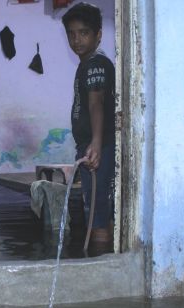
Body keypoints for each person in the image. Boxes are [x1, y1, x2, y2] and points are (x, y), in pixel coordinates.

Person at [62, 3, 116, 249]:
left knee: (97, 210)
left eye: (83, 33)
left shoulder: (95, 64)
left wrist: (95, 142)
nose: (76, 39)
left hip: (98, 146)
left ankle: (100, 262)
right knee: (96, 207)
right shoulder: (88, 64)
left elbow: (96, 103)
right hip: (92, 145)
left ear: (98, 35)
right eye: (71, 34)